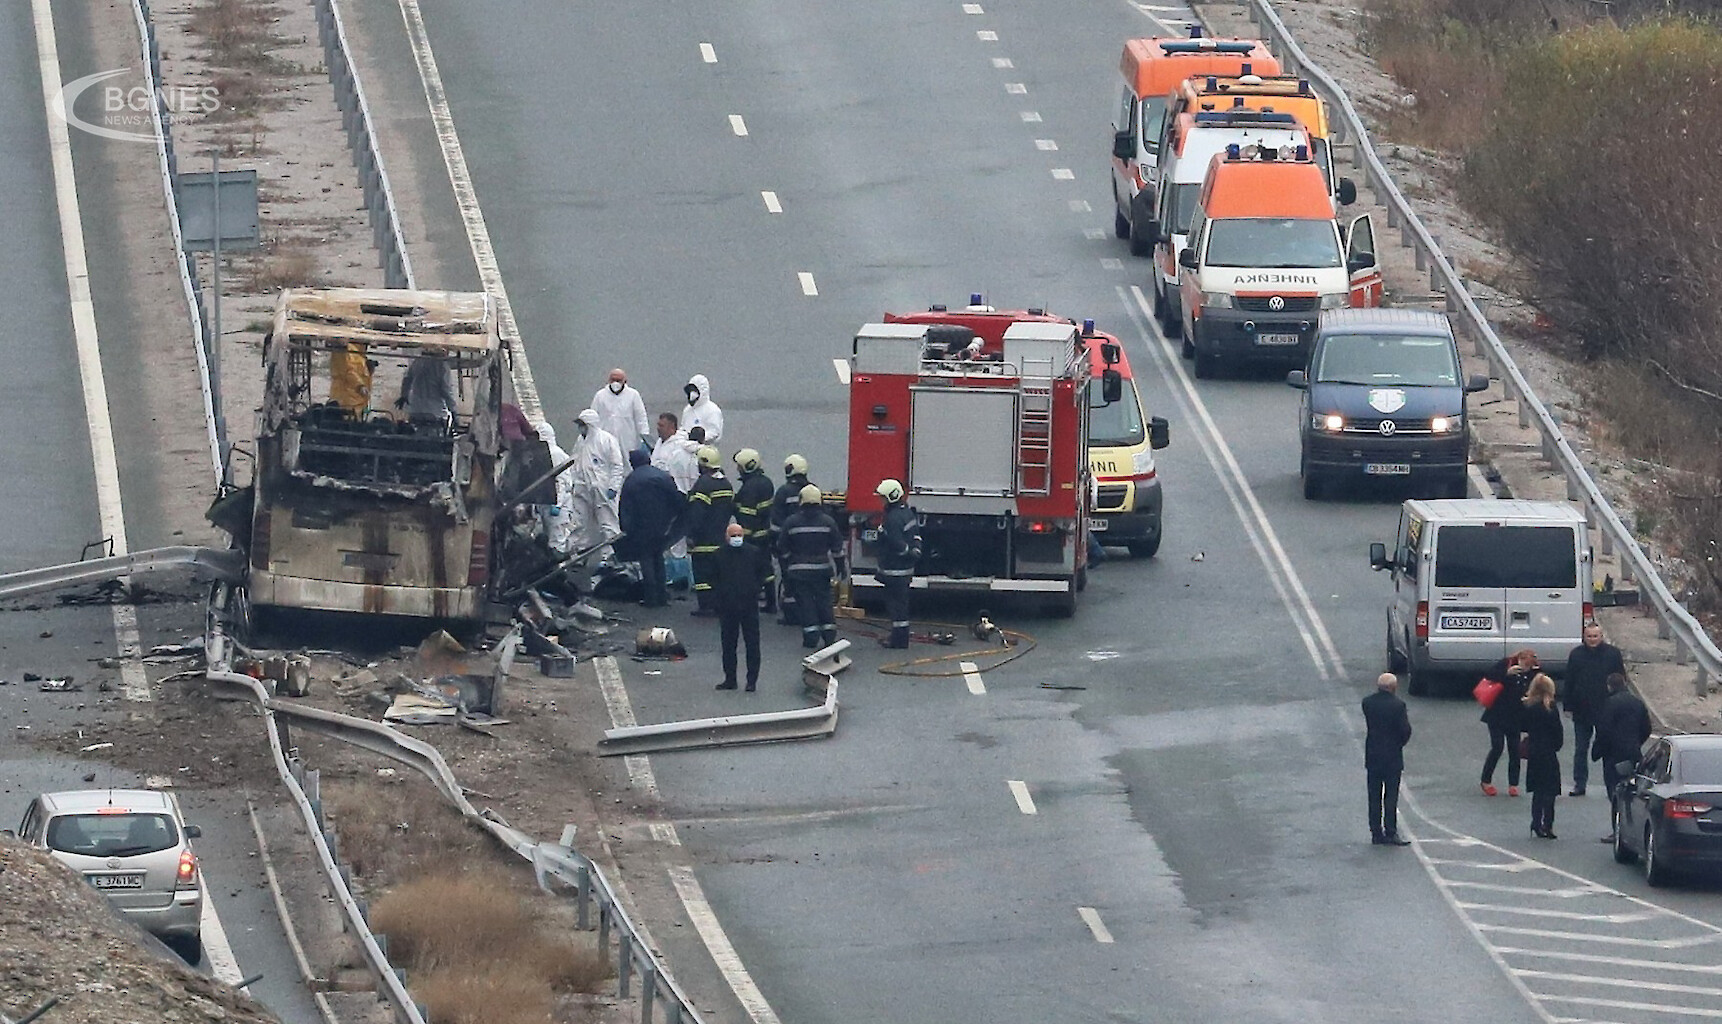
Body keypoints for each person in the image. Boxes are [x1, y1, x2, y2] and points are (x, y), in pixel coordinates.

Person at [779, 484, 845, 650]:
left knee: (806, 603)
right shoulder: (828, 521)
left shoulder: (791, 522)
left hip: (799, 572)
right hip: (822, 570)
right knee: (824, 601)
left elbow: (783, 549)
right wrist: (841, 567)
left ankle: (811, 636)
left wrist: (788, 565)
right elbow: (837, 549)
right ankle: (829, 635)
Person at [1563, 622, 1625, 796]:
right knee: (1580, 749)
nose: (1592, 639)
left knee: (1608, 748)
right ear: (1584, 637)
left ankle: (1612, 784)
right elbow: (1569, 680)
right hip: (1582, 709)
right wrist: (1568, 705)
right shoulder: (1576, 655)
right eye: (1589, 636)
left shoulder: (1613, 654)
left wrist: (1620, 702)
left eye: (1595, 636)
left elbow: (1620, 679)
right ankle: (1579, 783)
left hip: (1607, 709)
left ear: (1601, 636)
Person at [618, 449, 684, 608]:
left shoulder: (631, 480)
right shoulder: (663, 476)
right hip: (662, 525)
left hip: (641, 527)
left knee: (646, 559)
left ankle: (651, 598)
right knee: (658, 557)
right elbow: (676, 498)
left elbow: (625, 507)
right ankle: (662, 596)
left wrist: (626, 528)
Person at [1593, 672, 1652, 842]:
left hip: (1613, 755)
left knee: (1614, 791)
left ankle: (1617, 829)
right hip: (1633, 753)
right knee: (1630, 790)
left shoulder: (1610, 704)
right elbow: (1646, 728)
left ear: (1609, 686)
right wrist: (1636, 743)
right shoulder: (1637, 703)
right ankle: (1629, 827)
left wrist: (1598, 750)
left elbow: (1604, 731)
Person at [710, 523, 768, 691]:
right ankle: (730, 679)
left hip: (748, 604)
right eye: (733, 535)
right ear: (726, 537)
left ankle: (751, 681)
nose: (736, 538)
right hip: (728, 606)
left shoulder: (753, 553)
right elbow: (712, 577)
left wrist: (755, 589)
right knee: (729, 645)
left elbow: (763, 573)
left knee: (752, 644)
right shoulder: (719, 555)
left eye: (739, 535)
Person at [681, 446, 734, 616]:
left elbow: (697, 513)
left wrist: (691, 535)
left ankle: (706, 606)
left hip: (704, 539)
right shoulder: (726, 484)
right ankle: (719, 604)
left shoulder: (703, 484)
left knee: (702, 575)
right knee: (718, 574)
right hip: (720, 537)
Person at [566, 409, 626, 559]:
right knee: (580, 522)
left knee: (608, 522)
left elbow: (617, 465)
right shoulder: (581, 441)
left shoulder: (607, 440)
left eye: (583, 424)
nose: (580, 428)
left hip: (602, 488)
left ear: (590, 424)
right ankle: (580, 553)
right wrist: (573, 482)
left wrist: (613, 486)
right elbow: (575, 461)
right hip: (582, 487)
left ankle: (610, 556)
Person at [1362, 672, 1413, 846]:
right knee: (1391, 796)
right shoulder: (1398, 705)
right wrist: (1399, 743)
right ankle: (1390, 831)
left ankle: (1375, 832)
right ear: (1393, 687)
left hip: (1373, 754)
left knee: (1374, 795)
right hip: (1392, 755)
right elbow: (1405, 730)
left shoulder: (1367, 703)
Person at [1480, 649, 1538, 796]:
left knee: (1515, 750)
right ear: (1520, 658)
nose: (1525, 667)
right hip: (1497, 714)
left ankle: (1513, 784)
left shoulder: (1533, 672)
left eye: (1528, 665)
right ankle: (1486, 780)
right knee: (1497, 747)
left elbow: (1538, 686)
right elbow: (1489, 677)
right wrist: (1506, 674)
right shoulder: (1506, 664)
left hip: (1516, 717)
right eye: (1524, 664)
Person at [875, 478, 921, 649]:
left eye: (883, 497)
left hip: (894, 569)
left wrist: (881, 536)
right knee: (901, 604)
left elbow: (896, 544)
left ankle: (898, 640)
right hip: (905, 570)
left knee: (895, 606)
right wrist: (913, 552)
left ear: (891, 497)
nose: (881, 501)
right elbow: (916, 537)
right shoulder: (907, 513)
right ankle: (899, 637)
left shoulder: (892, 519)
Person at [770, 455, 814, 624]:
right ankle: (808, 612)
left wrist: (775, 545)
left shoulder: (784, 492)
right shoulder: (813, 491)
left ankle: (791, 616)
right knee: (809, 581)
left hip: (789, 546)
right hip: (810, 546)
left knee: (789, 580)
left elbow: (776, 523)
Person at [732, 449, 776, 614]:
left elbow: (747, 515)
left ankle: (750, 602)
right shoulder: (765, 482)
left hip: (752, 536)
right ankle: (771, 601)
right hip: (764, 533)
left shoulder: (750, 487)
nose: (737, 469)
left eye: (739, 466)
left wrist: (742, 538)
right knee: (766, 568)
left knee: (749, 570)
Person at [1522, 673, 1565, 839]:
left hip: (1534, 751)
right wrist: (1556, 745)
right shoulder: (1550, 707)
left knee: (1538, 791)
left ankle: (1535, 822)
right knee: (1550, 791)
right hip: (1548, 752)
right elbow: (1557, 731)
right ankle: (1548, 825)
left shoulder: (1529, 706)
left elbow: (1524, 726)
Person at [535, 422, 574, 554]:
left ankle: (560, 562)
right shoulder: (543, 452)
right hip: (547, 501)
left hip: (556, 502)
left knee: (557, 537)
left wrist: (558, 504)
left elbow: (561, 481)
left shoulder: (555, 453)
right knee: (549, 536)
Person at [592, 368, 650, 454]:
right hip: (605, 441)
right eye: (613, 380)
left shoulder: (633, 395)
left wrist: (644, 439)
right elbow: (592, 418)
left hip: (628, 441)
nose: (615, 383)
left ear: (625, 381)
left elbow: (641, 418)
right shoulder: (600, 396)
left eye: (618, 380)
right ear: (609, 380)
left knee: (627, 461)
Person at [397, 353, 459, 426]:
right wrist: (453, 411)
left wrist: (404, 395)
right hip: (434, 412)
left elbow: (407, 378)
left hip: (415, 410)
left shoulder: (417, 361)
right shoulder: (442, 365)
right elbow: (446, 391)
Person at [329, 343, 373, 417]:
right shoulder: (345, 351)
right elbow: (346, 371)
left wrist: (369, 370)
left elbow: (361, 372)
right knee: (344, 418)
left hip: (358, 400)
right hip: (346, 399)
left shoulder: (359, 353)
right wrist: (360, 385)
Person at [682, 374, 724, 444]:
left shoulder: (712, 410)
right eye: (689, 391)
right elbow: (683, 428)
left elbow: (715, 432)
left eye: (694, 391)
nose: (691, 394)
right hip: (687, 447)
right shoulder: (687, 410)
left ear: (702, 391)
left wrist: (699, 438)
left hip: (706, 448)